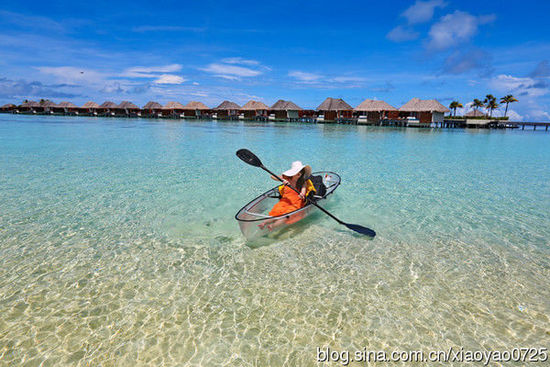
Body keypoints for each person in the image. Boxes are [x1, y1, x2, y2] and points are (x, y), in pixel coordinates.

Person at [258, 161, 316, 231]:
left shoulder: (303, 182)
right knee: (276, 213)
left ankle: (272, 226)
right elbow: (272, 176)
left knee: (286, 216)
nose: (299, 173)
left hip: (296, 203)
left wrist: (302, 194)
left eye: (301, 171)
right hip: (285, 201)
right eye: (297, 171)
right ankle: (264, 223)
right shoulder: (287, 178)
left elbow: (303, 190)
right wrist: (282, 180)